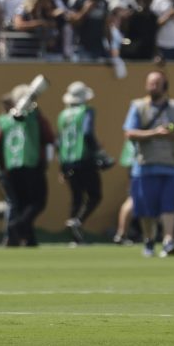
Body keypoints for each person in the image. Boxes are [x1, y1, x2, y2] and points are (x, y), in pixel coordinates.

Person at [123, 71, 174, 258]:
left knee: (169, 206)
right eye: (150, 83)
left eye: (157, 83)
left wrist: (172, 135)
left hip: (170, 165)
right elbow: (129, 133)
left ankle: (168, 241)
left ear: (165, 86)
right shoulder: (138, 106)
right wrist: (155, 133)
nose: (152, 86)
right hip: (145, 166)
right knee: (146, 210)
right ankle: (149, 240)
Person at [0, 86, 54, 247]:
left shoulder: (4, 120)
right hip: (32, 165)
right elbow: (49, 137)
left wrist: (3, 166)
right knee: (38, 202)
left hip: (12, 168)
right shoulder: (34, 117)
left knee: (23, 204)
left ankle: (30, 240)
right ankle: (16, 227)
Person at [57, 82, 103, 243]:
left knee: (76, 197)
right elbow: (87, 133)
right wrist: (98, 152)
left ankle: (73, 235)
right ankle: (78, 222)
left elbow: (60, 142)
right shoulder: (86, 111)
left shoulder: (63, 115)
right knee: (95, 195)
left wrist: (61, 168)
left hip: (67, 161)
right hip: (84, 159)